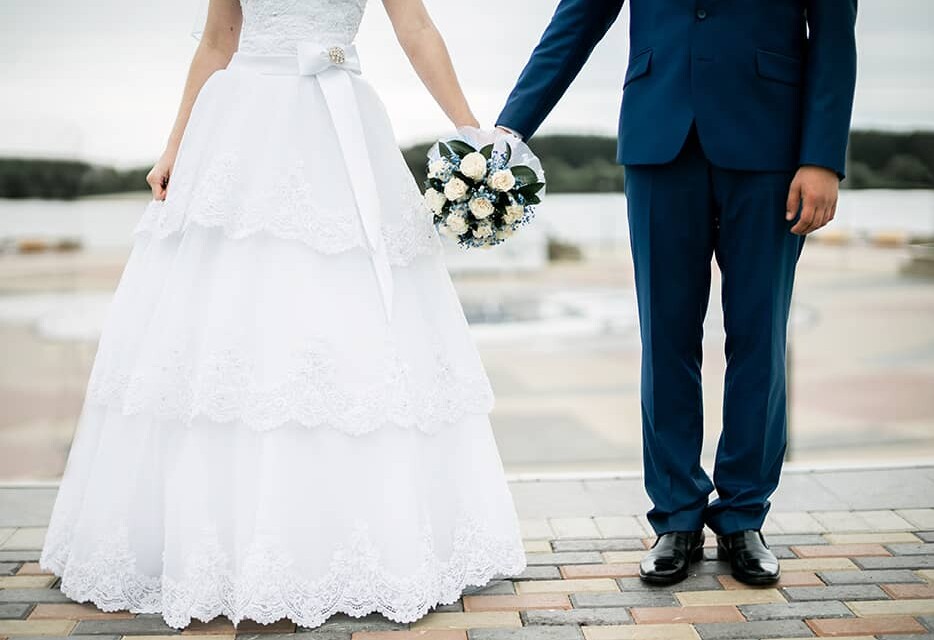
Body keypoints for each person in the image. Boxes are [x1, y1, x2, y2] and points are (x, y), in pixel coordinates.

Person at [40, 0, 525, 628]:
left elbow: (417, 27)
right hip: (242, 132)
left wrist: (474, 135)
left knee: (346, 324)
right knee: (231, 330)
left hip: (339, 130)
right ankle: (224, 547)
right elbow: (218, 40)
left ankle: (356, 537)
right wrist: (174, 147)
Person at [497, 0, 857, 585]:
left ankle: (743, 516)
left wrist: (822, 158)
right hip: (658, 138)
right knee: (664, 339)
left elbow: (836, 37)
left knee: (758, 338)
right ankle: (676, 516)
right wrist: (510, 129)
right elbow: (577, 21)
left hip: (771, 145)